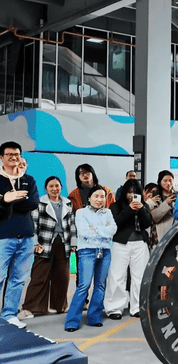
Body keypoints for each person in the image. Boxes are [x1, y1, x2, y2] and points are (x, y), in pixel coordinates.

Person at [19, 176, 77, 318]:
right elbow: (34, 224)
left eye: (57, 186)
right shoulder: (40, 203)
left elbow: (72, 225)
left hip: (63, 243)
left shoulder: (67, 203)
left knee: (62, 276)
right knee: (39, 276)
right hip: (44, 243)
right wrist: (35, 242)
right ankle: (32, 308)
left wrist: (74, 243)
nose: (54, 189)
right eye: (51, 186)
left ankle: (59, 306)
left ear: (61, 187)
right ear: (46, 188)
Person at [65, 185, 117, 332]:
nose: (99, 200)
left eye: (102, 197)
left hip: (105, 251)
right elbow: (83, 232)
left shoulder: (107, 212)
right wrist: (103, 229)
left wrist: (95, 228)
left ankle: (94, 318)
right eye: (96, 196)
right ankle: (72, 321)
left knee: (100, 285)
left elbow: (113, 230)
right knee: (84, 285)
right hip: (86, 251)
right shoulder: (81, 213)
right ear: (89, 198)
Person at [0, 141, 39, 328]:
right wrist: (6, 200)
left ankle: (9, 314)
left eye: (17, 154)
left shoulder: (28, 180)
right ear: (1, 158)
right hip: (3, 237)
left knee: (18, 278)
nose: (14, 158)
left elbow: (32, 204)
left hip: (26, 236)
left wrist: (7, 201)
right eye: (10, 155)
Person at [104, 179, 153, 319]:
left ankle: (137, 307)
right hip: (120, 244)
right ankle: (114, 308)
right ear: (124, 192)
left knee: (139, 277)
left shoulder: (144, 206)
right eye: (129, 192)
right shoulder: (115, 206)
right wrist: (130, 210)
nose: (132, 195)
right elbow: (116, 223)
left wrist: (142, 209)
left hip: (140, 245)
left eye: (135, 192)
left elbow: (147, 223)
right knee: (117, 276)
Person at [146, 170, 177, 248]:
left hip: (174, 234)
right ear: (160, 182)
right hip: (159, 236)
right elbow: (154, 217)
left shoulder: (177, 196)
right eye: (165, 181)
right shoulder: (156, 197)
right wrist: (166, 203)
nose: (168, 183)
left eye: (170, 180)